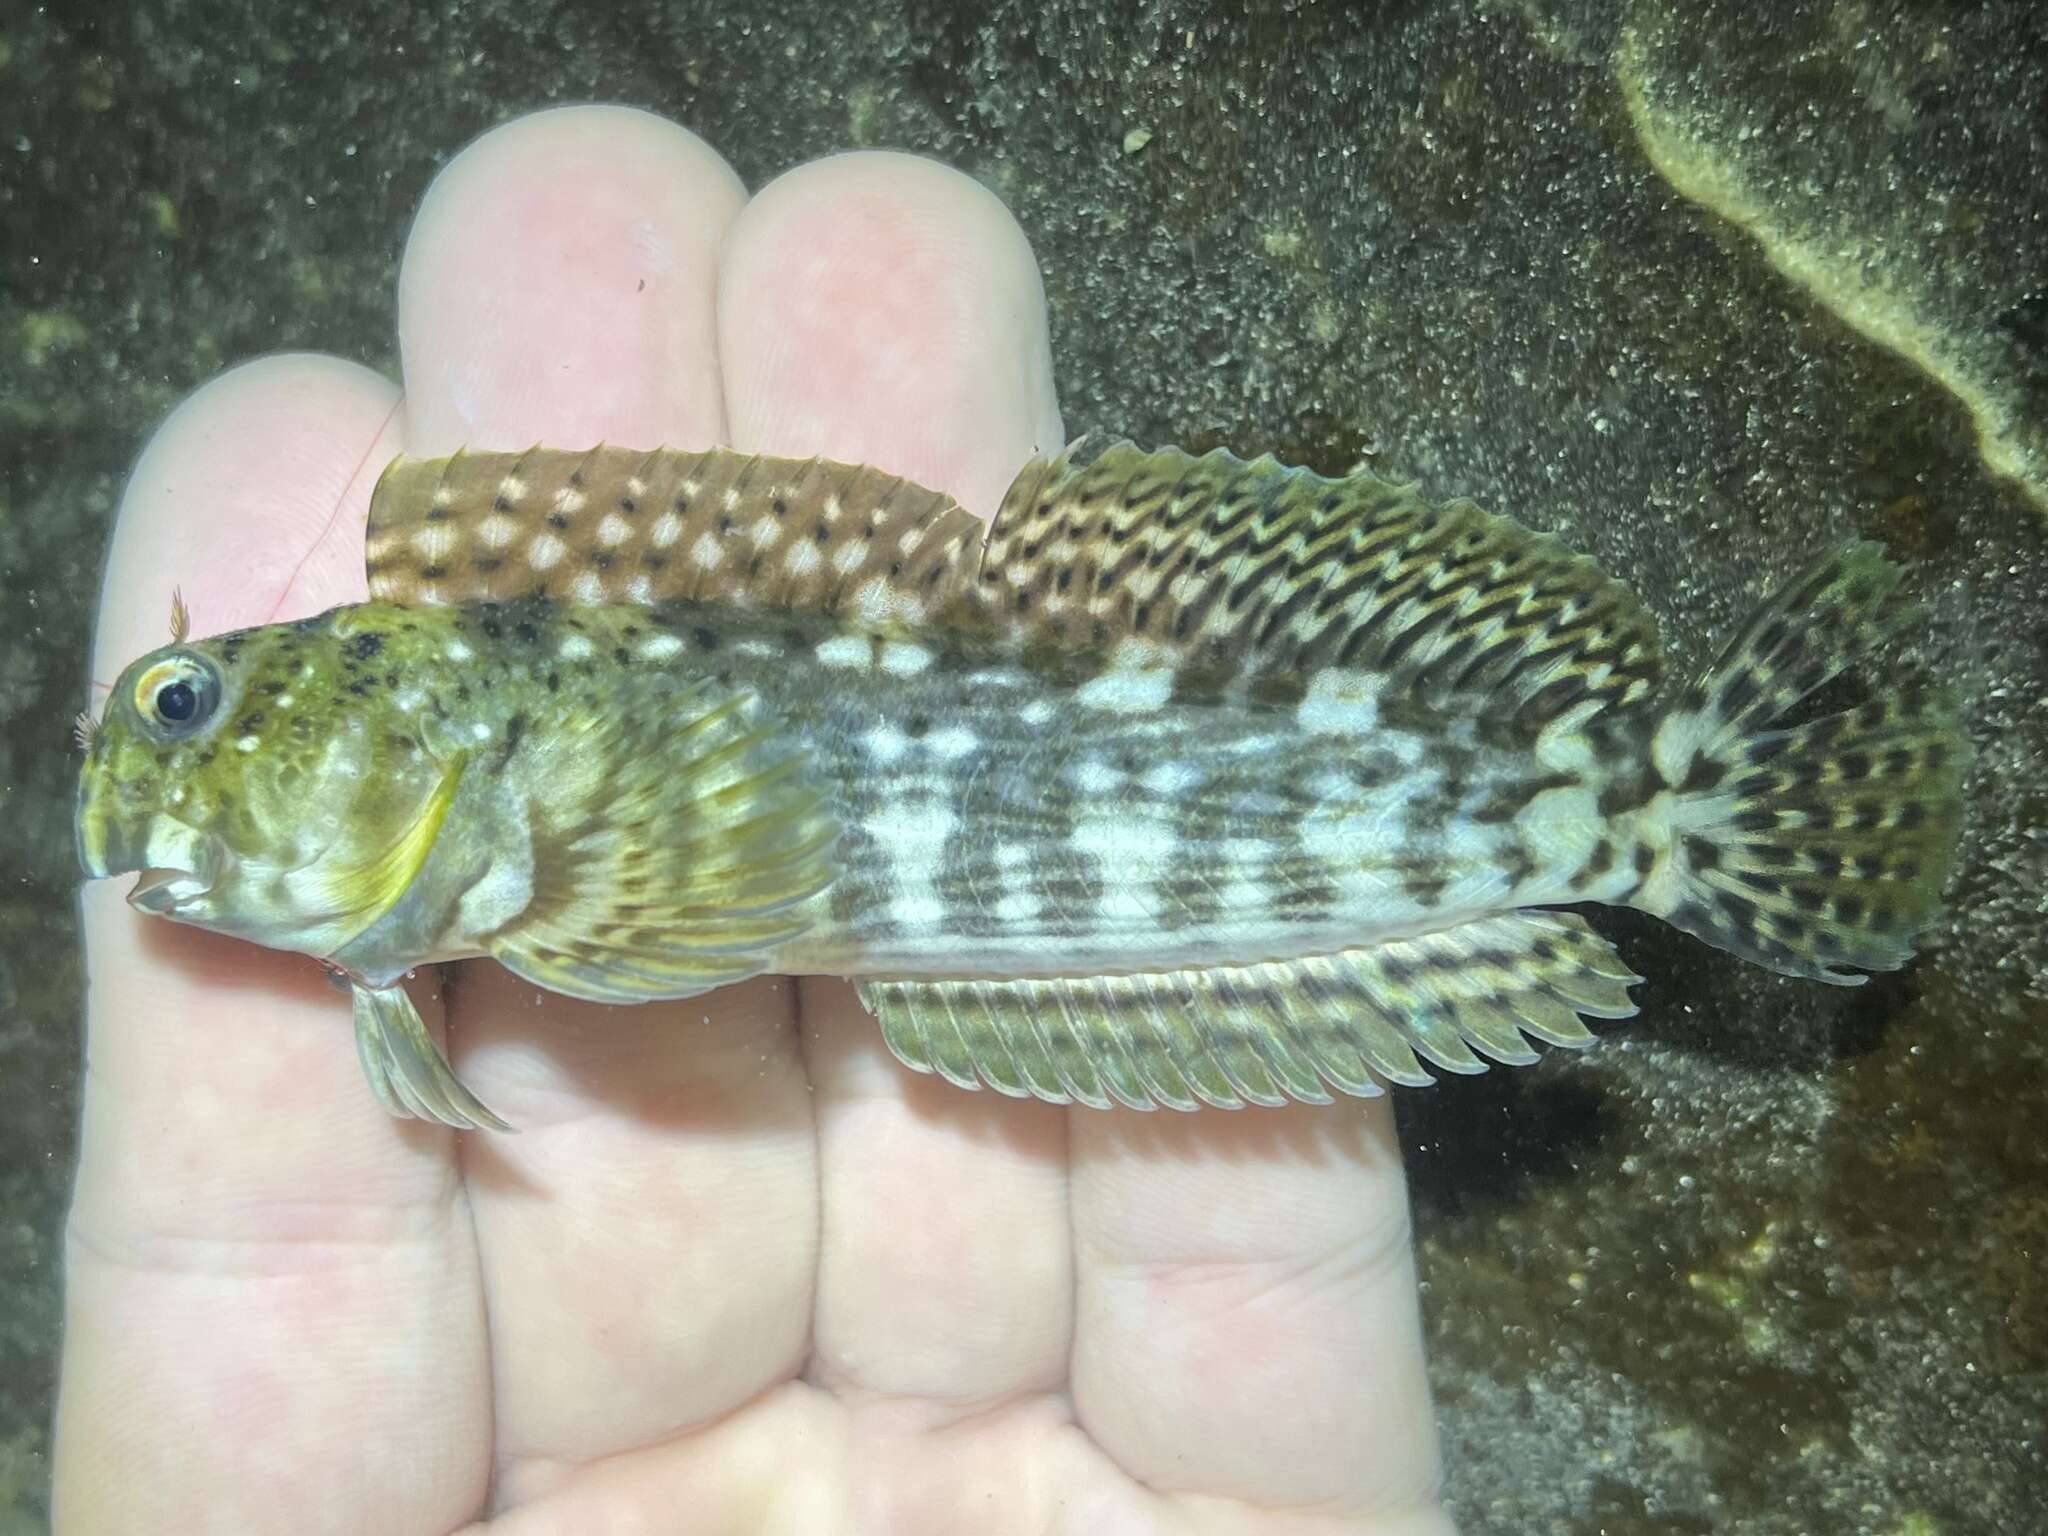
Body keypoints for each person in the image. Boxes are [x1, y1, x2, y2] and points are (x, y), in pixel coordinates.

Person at [55, 106, 1450, 1533]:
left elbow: (726, 851)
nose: (144, 769)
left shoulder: (499, 723)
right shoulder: (476, 773)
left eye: (183, 708)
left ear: (404, 721)